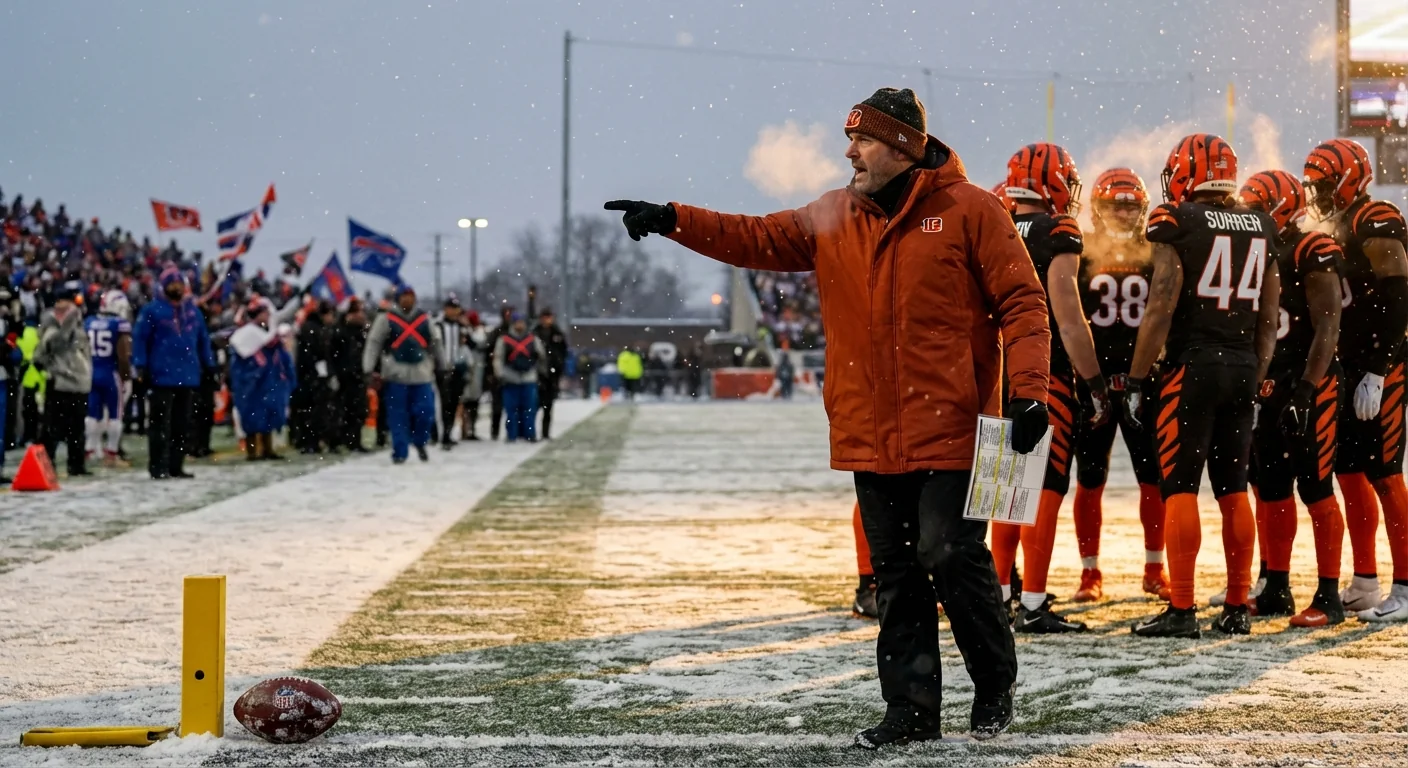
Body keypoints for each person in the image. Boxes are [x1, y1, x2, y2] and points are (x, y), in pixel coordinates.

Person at [605, 86, 1050, 747]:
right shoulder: (834, 215)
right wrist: (673, 217)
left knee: (950, 555)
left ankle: (994, 685)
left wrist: (1030, 390)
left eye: (863, 139)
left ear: (903, 147)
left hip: (953, 425)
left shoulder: (973, 211)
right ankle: (911, 710)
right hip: (869, 430)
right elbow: (750, 237)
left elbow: (1023, 301)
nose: (850, 152)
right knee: (895, 575)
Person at [1125, 134, 1280, 638]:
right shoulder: (1261, 222)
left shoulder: (1179, 219)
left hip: (1193, 366)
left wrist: (1137, 375)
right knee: (1234, 488)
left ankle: (1183, 609)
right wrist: (1255, 372)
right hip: (1241, 366)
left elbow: (1162, 302)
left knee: (1181, 486)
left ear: (1189, 172)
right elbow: (1269, 314)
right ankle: (1237, 606)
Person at [989, 143, 1110, 633]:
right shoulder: (1057, 229)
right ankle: (1034, 603)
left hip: (998, 374)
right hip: (1045, 373)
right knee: (1044, 491)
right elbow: (1068, 315)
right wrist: (1095, 381)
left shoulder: (993, 221)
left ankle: (998, 597)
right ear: (1054, 182)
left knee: (1003, 491)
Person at [1304, 139, 1408, 622]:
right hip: (1349, 366)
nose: (1317, 194)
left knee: (1386, 474)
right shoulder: (1333, 226)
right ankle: (1365, 580)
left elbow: (1400, 296)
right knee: (1349, 471)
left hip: (1383, 365)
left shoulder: (1374, 217)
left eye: (1324, 184)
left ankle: (1405, 585)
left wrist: (1379, 368)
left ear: (1349, 180)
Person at [1239, 170, 1347, 627]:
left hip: (1309, 380)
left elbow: (1328, 325)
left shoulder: (1310, 248)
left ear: (1281, 208)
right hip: (1270, 381)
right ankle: (1276, 587)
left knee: (1316, 487)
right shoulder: (1258, 249)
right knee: (1273, 487)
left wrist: (1307, 388)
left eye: (1257, 209)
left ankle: (1329, 596)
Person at [1070, 168, 1168, 601]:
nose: (1125, 213)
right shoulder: (1080, 249)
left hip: (1143, 380)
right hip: (1093, 379)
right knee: (1090, 478)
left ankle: (1154, 567)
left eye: (1131, 205)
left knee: (1154, 478)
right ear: (1098, 207)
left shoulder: (1155, 250)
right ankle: (1090, 573)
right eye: (1116, 204)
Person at [132, 264, 215, 480]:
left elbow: (203, 340)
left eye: (181, 283)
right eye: (174, 283)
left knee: (181, 424)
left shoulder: (192, 312)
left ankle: (176, 466)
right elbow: (140, 339)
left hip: (188, 375)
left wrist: (210, 365)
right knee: (160, 425)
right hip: (161, 375)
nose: (178, 287)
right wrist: (140, 365)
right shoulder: (152, 311)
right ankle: (157, 466)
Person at [363, 285, 443, 463]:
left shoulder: (424, 319)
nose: (408, 300)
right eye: (404, 296)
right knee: (398, 416)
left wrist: (442, 364)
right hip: (395, 373)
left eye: (411, 296)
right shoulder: (386, 319)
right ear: (398, 299)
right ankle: (400, 451)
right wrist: (368, 368)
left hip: (421, 373)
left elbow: (436, 342)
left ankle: (420, 441)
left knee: (425, 411)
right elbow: (374, 343)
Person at [34, 281, 92, 477]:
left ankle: (76, 465)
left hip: (79, 382)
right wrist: (66, 323)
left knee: (77, 428)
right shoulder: (50, 321)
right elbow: (54, 345)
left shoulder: (78, 322)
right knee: (52, 429)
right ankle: (45, 466)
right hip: (59, 382)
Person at [83, 289, 132, 468]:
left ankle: (89, 449)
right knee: (115, 414)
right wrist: (126, 376)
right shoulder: (119, 324)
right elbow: (123, 355)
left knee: (92, 414)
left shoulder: (89, 322)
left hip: (91, 372)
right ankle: (111, 453)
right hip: (110, 373)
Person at [492, 312, 547, 442]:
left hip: (529, 377)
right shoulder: (504, 339)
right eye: (517, 322)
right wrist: (499, 374)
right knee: (511, 410)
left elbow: (541, 356)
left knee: (529, 409)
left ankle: (530, 434)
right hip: (510, 377)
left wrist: (540, 372)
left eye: (522, 322)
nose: (520, 325)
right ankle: (512, 435)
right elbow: (498, 358)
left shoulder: (533, 339)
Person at [292, 300, 335, 454]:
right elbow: (317, 354)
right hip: (313, 377)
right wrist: (322, 373)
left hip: (307, 376)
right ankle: (312, 442)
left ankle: (307, 441)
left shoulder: (307, 328)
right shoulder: (315, 330)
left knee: (307, 412)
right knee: (315, 411)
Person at [330, 298, 370, 452]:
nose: (361, 315)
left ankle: (354, 441)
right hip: (343, 377)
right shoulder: (339, 332)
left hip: (358, 376)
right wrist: (333, 374)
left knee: (359, 410)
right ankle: (336, 441)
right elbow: (332, 355)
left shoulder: (362, 332)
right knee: (339, 411)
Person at [435, 296, 468, 449]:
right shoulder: (438, 325)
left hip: (457, 369)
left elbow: (472, 343)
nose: (455, 312)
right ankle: (442, 434)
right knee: (444, 402)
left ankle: (448, 432)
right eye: (452, 308)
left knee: (454, 402)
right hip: (442, 369)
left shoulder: (460, 326)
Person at [534, 308, 568, 439]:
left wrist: (558, 366)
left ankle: (545, 432)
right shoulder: (536, 332)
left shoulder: (557, 333)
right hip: (539, 373)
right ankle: (530, 431)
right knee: (534, 405)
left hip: (552, 374)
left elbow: (563, 352)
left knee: (548, 406)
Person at [484, 306, 513, 440]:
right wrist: (490, 372)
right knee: (497, 406)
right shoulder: (497, 333)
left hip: (513, 372)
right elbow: (489, 353)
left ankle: (512, 432)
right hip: (497, 373)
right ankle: (494, 432)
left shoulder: (515, 333)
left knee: (513, 406)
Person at [459, 310, 487, 441]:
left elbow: (478, 345)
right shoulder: (464, 332)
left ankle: (470, 429)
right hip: (468, 370)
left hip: (476, 370)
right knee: (465, 401)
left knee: (473, 401)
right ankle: (465, 429)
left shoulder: (479, 333)